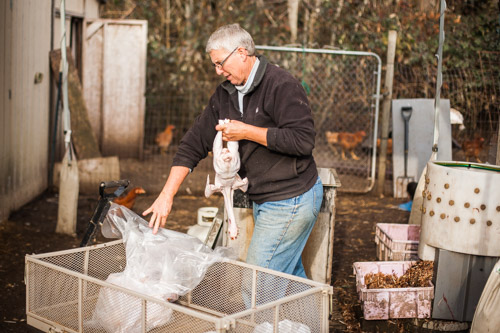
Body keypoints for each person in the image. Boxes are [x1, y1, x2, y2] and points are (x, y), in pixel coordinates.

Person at [143, 23, 322, 279]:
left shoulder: (281, 85)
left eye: (220, 63)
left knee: (257, 284)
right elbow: (193, 143)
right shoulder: (224, 94)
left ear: (241, 52)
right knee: (289, 277)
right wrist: (166, 195)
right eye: (214, 65)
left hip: (291, 197)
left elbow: (302, 140)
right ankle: (306, 320)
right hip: (265, 197)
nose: (218, 71)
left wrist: (246, 131)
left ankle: (270, 320)